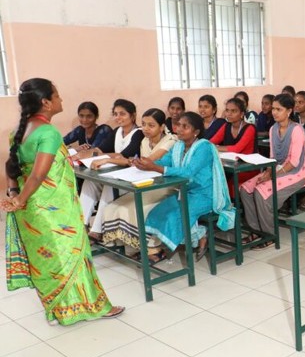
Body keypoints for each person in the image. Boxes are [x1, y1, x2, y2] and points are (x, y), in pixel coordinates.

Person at [2, 78, 124, 324]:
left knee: (47, 260)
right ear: (46, 102)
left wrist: (15, 194)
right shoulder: (48, 132)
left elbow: (12, 168)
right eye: (56, 96)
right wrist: (19, 200)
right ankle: (93, 306)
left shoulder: (18, 131)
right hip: (52, 209)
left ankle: (59, 309)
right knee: (72, 255)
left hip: (32, 211)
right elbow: (39, 173)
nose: (61, 100)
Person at [134, 111, 234, 263]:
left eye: (185, 126)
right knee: (158, 211)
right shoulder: (178, 146)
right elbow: (164, 161)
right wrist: (145, 164)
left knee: (176, 215)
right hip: (185, 191)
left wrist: (155, 168)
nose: (179, 129)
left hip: (205, 195)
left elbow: (188, 172)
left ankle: (169, 248)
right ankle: (199, 235)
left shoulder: (204, 147)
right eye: (178, 125)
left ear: (196, 132)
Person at [100, 109, 177, 248]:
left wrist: (113, 160)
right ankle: (121, 242)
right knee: (113, 207)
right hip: (145, 183)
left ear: (162, 127)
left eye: (151, 125)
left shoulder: (170, 140)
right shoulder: (145, 140)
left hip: (164, 186)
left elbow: (147, 162)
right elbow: (139, 164)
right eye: (143, 124)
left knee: (132, 209)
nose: (146, 129)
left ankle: (146, 247)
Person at [240, 94, 305, 248]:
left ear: (289, 111)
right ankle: (256, 231)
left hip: (296, 173)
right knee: (245, 188)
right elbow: (272, 156)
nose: (275, 112)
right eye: (273, 109)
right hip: (276, 169)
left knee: (260, 191)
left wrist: (272, 175)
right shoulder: (273, 129)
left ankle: (269, 235)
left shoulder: (297, 130)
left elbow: (294, 162)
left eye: (279, 109)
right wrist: (267, 173)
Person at [79, 99, 144, 241]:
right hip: (113, 174)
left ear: (132, 116)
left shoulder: (138, 133)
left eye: (122, 114)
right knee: (89, 183)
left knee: (109, 187)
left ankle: (97, 230)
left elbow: (126, 156)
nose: (118, 117)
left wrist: (106, 156)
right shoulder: (117, 132)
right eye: (115, 114)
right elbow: (99, 150)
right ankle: (81, 225)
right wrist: (81, 155)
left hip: (129, 178)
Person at [211, 98, 257, 195]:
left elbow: (237, 149)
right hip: (230, 165)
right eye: (227, 110)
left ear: (241, 114)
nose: (229, 114)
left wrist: (216, 147)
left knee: (220, 179)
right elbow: (211, 142)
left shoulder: (250, 128)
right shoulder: (226, 126)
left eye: (234, 111)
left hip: (246, 168)